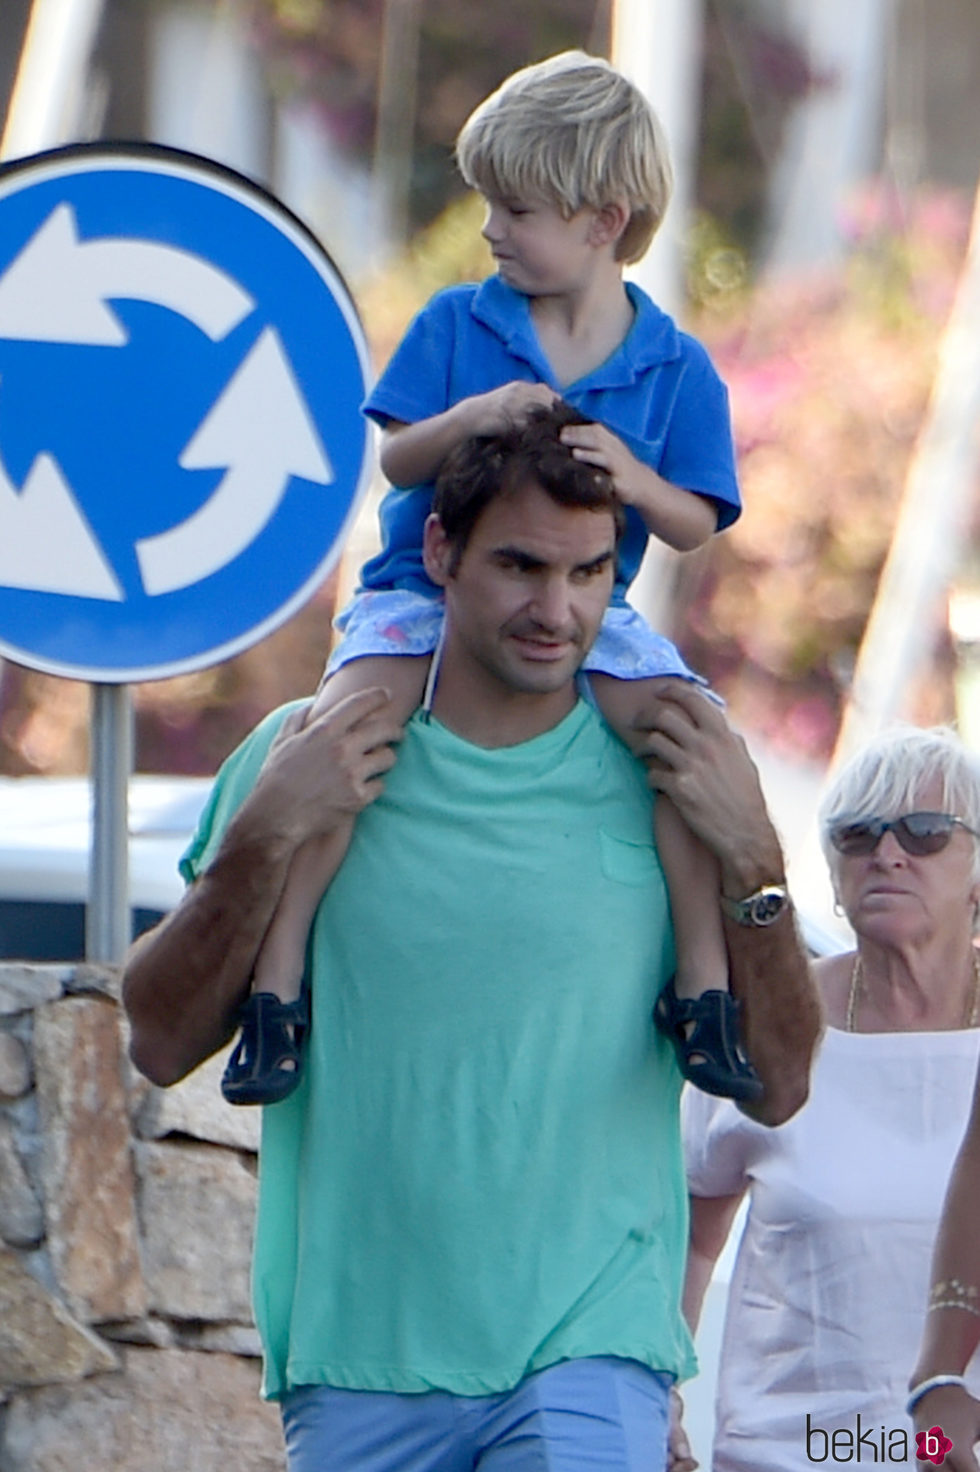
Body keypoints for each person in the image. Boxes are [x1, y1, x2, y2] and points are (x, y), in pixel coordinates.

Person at [122, 409, 819, 1472]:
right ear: (439, 553)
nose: (557, 608)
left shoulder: (673, 776)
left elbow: (776, 1085)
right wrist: (263, 832)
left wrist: (756, 863)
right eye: (520, 566)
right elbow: (160, 1037)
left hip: (589, 1344)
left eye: (589, 572)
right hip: (359, 1358)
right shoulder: (309, 753)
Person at [222, 49, 751, 1109]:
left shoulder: (674, 365)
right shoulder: (457, 326)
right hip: (424, 594)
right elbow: (397, 458)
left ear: (602, 220)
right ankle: (278, 984)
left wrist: (634, 475)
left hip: (585, 609)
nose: (489, 230)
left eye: (514, 208)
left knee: (694, 741)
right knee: (345, 735)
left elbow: (692, 520)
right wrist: (470, 417)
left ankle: (701, 985)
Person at [671, 724, 980, 1472]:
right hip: (794, 1450)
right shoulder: (772, 1024)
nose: (888, 853)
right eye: (857, 833)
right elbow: (680, 1237)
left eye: (926, 831)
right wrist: (662, 1405)